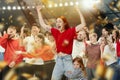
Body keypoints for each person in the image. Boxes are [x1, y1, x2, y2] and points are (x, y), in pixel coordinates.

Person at [36, 5, 86, 80]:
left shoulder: (70, 31)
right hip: (59, 60)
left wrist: (79, 11)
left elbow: (83, 24)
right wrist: (38, 12)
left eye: (60, 21)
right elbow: (43, 25)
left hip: (67, 60)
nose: (57, 23)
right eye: (56, 22)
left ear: (64, 23)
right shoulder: (55, 32)